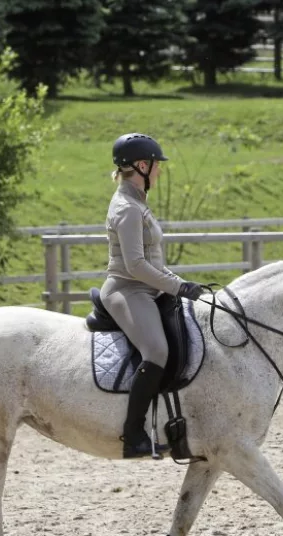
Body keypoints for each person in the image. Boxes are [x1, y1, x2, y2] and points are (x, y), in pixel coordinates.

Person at [101, 133, 205, 458]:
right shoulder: (128, 209)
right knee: (156, 350)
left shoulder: (137, 203)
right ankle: (133, 434)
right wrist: (176, 286)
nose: (159, 172)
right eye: (156, 166)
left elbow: (153, 261)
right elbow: (135, 266)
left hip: (149, 287)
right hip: (128, 289)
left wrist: (179, 282)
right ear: (142, 166)